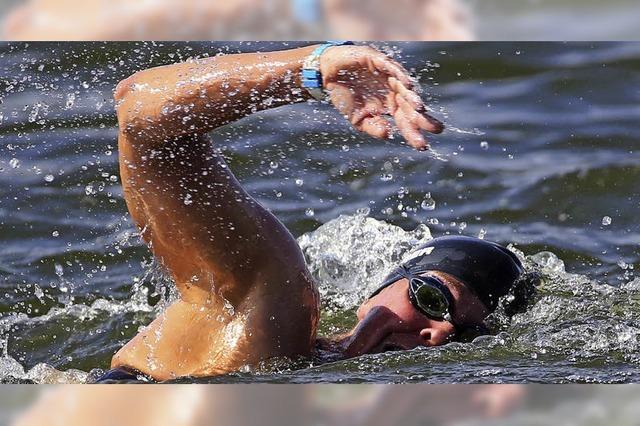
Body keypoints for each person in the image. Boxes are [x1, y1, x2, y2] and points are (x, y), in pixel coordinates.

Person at [96, 42, 527, 383]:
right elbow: (140, 113)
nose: (440, 333)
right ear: (384, 286)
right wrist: (312, 70)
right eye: (432, 300)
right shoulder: (274, 302)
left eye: (469, 334)